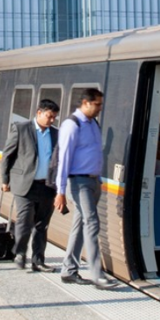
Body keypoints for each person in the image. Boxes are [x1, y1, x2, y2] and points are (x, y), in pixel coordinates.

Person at [55, 88, 117, 289]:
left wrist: (98, 179)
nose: (100, 108)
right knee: (92, 223)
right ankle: (97, 275)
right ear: (86, 103)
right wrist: (61, 191)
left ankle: (68, 270)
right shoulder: (72, 125)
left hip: (93, 182)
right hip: (78, 182)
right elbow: (63, 160)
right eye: (97, 104)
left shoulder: (93, 124)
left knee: (79, 225)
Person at [2, 99, 61, 272]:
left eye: (54, 118)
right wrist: (5, 180)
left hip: (47, 187)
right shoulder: (21, 129)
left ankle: (38, 261)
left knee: (42, 225)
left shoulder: (55, 134)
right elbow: (7, 155)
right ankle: (20, 253)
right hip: (25, 185)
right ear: (39, 113)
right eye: (49, 117)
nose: (52, 121)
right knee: (25, 220)